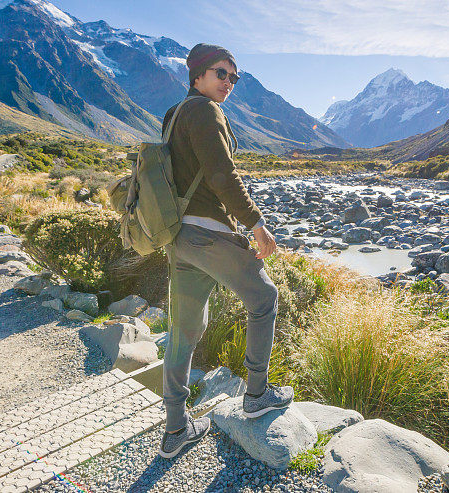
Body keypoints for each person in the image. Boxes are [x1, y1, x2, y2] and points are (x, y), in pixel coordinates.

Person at [158, 43, 293, 459]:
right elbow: (221, 174)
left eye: (234, 77)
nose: (229, 83)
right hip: (209, 233)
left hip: (180, 239)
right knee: (264, 297)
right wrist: (257, 225)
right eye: (222, 74)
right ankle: (256, 395)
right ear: (198, 75)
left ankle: (176, 428)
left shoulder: (175, 114)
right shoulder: (204, 111)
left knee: (185, 330)